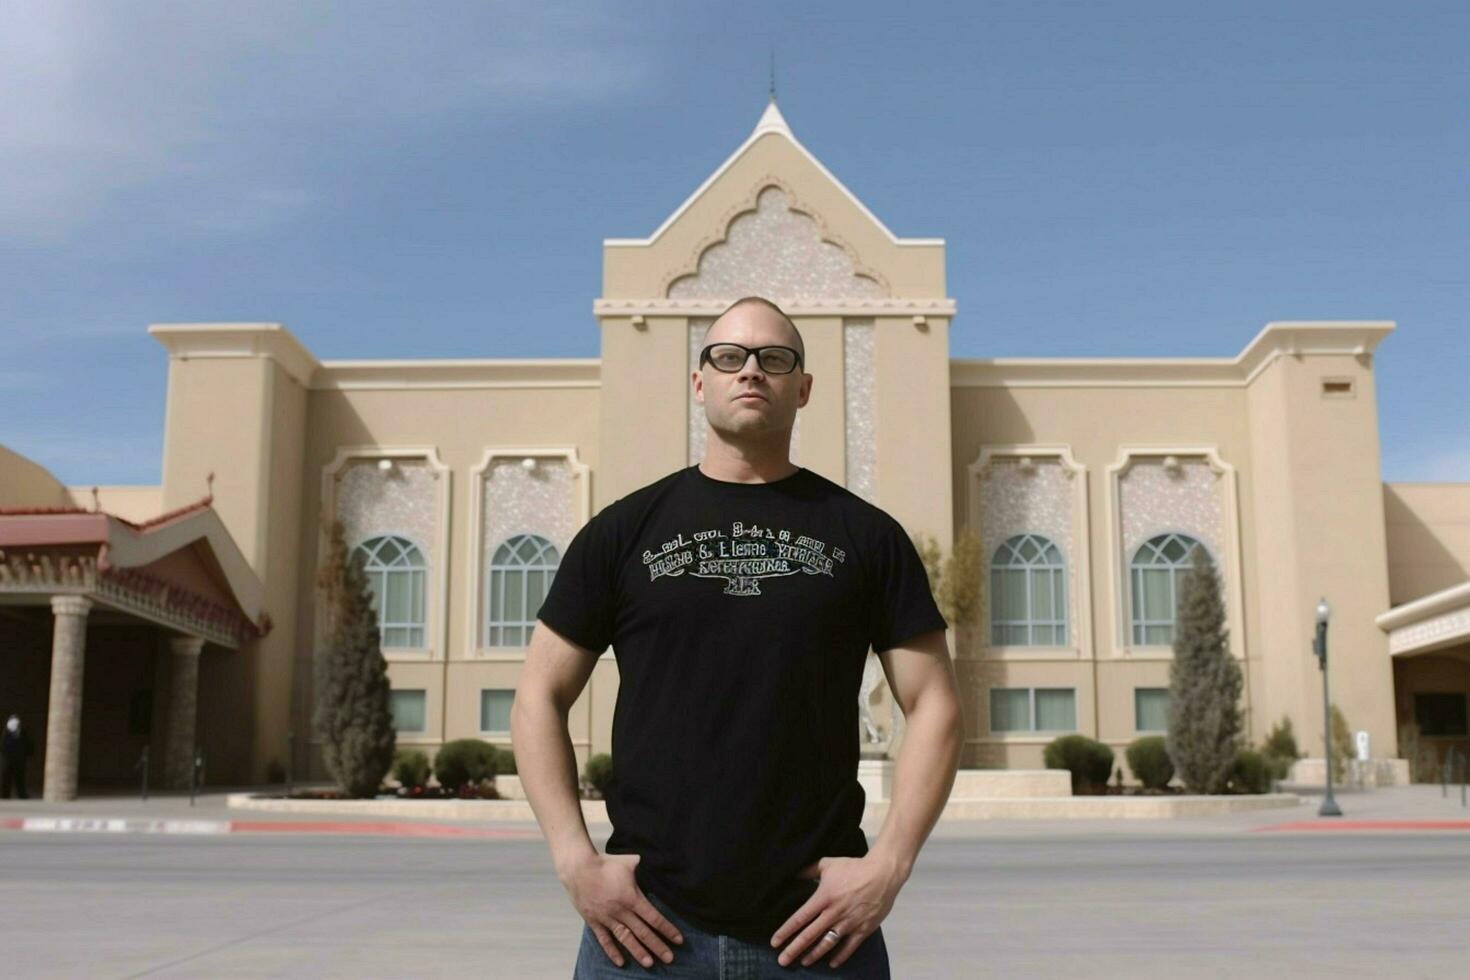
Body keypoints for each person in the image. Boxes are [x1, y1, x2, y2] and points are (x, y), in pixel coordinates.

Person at [513, 296, 963, 977]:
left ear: (802, 388)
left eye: (774, 359)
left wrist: (889, 866)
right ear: (701, 382)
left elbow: (935, 705)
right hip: (643, 933)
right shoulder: (622, 532)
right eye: (729, 356)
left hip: (820, 933)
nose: (750, 371)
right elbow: (538, 695)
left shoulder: (867, 537)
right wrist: (575, 860)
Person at [2, 715, 34, 799]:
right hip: (8, 760)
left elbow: (28, 745)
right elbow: (3, 746)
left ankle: (22, 794)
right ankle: (5, 795)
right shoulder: (6, 734)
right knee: (6, 778)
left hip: (19, 760)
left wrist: (28, 754)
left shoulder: (22, 733)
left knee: (20, 778)